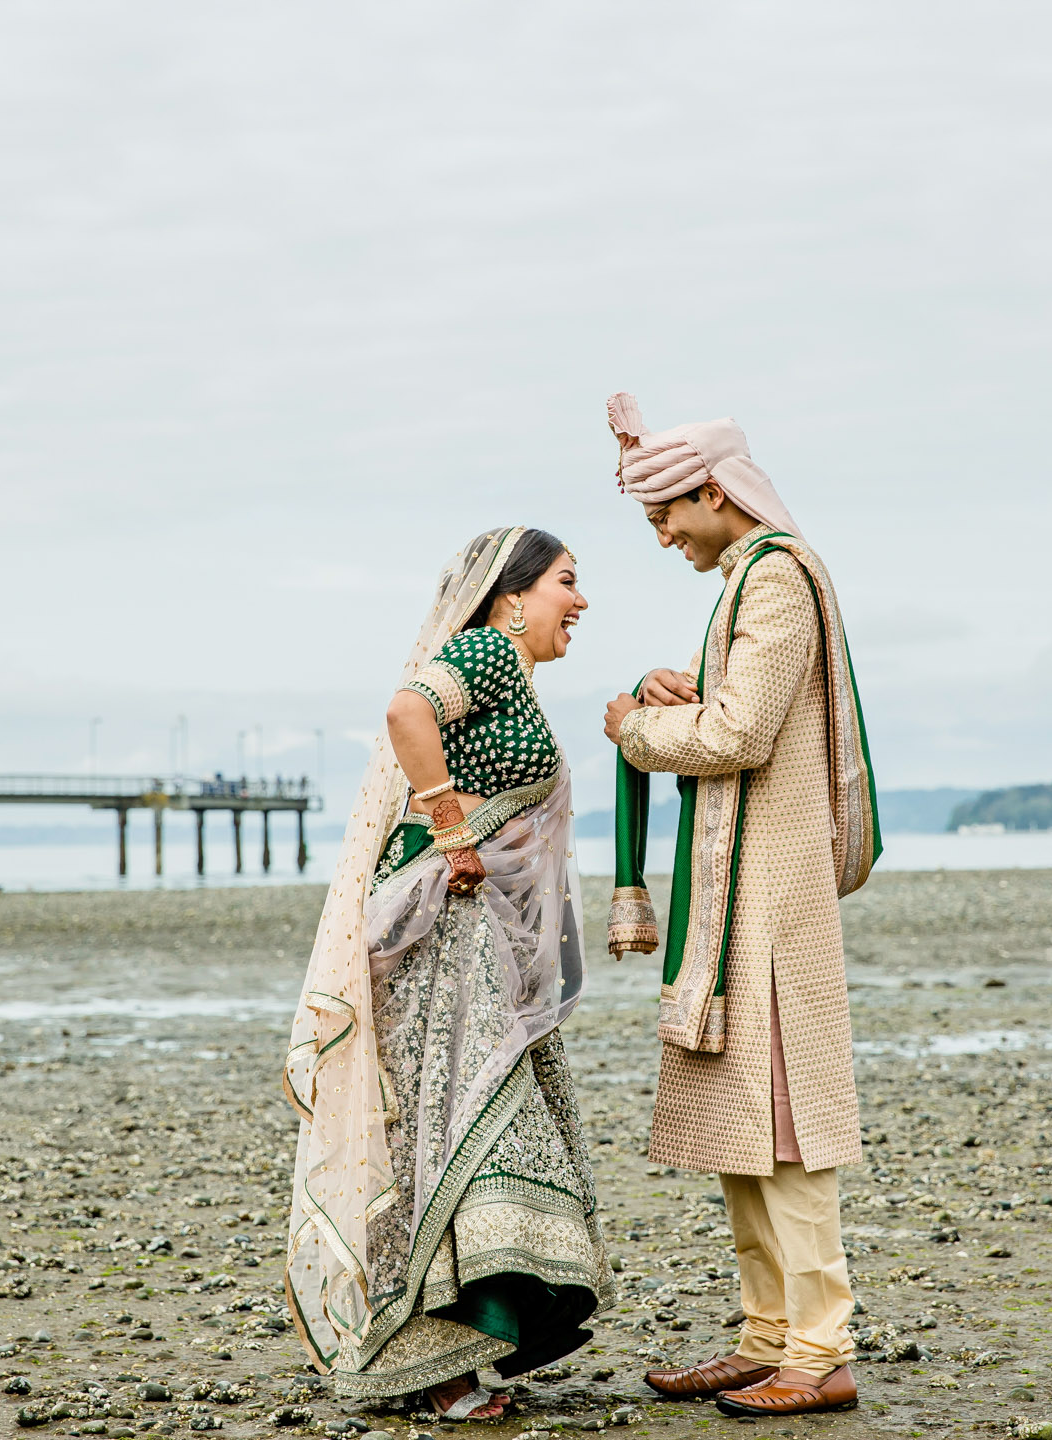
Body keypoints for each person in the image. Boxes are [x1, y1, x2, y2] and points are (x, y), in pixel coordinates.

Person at [284, 528, 613, 1421]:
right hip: (448, 927)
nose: (580, 602)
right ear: (511, 597)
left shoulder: (515, 675)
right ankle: (441, 1362)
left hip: (477, 933)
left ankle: (461, 1348)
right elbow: (405, 712)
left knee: (462, 1114)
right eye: (567, 584)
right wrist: (450, 826)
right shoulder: (484, 652)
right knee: (460, 1116)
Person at [598, 394, 881, 1418]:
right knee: (744, 1130)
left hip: (771, 898)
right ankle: (769, 1339)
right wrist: (683, 690)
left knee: (789, 1129)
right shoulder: (746, 583)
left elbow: (741, 738)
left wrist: (634, 725)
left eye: (665, 515)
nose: (664, 536)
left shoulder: (775, 582)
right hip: (742, 895)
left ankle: (818, 1351)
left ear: (714, 491)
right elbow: (727, 714)